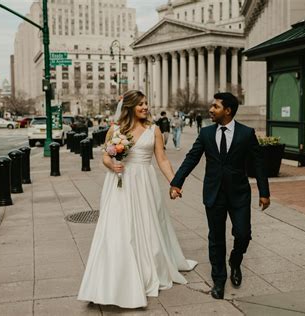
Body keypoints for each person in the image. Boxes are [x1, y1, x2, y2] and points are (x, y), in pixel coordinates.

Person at [78, 90, 197, 309]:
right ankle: (114, 277)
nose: (145, 107)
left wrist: (174, 182)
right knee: (117, 228)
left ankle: (147, 268)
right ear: (130, 106)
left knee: (147, 225)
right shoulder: (115, 129)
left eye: (146, 103)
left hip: (144, 182)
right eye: (140, 104)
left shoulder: (155, 130)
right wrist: (112, 164)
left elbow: (162, 160)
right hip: (119, 183)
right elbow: (105, 156)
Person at [169, 92, 270, 300]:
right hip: (214, 193)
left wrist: (264, 192)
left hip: (239, 194)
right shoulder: (206, 133)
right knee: (216, 238)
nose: (211, 110)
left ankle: (235, 260)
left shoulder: (246, 133)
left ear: (228, 110)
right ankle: (219, 280)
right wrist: (177, 182)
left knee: (243, 234)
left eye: (215, 106)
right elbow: (191, 158)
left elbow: (258, 164)